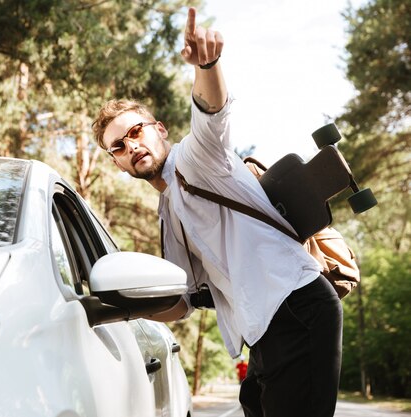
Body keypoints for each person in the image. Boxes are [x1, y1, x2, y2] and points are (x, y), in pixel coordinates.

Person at [92, 7, 343, 417]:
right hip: (262, 331)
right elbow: (180, 303)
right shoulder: (168, 209)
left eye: (136, 131)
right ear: (117, 163)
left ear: (159, 130)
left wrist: (207, 64)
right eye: (118, 146)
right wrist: (112, 306)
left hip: (296, 306)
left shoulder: (198, 159)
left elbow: (212, 112)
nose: (131, 146)